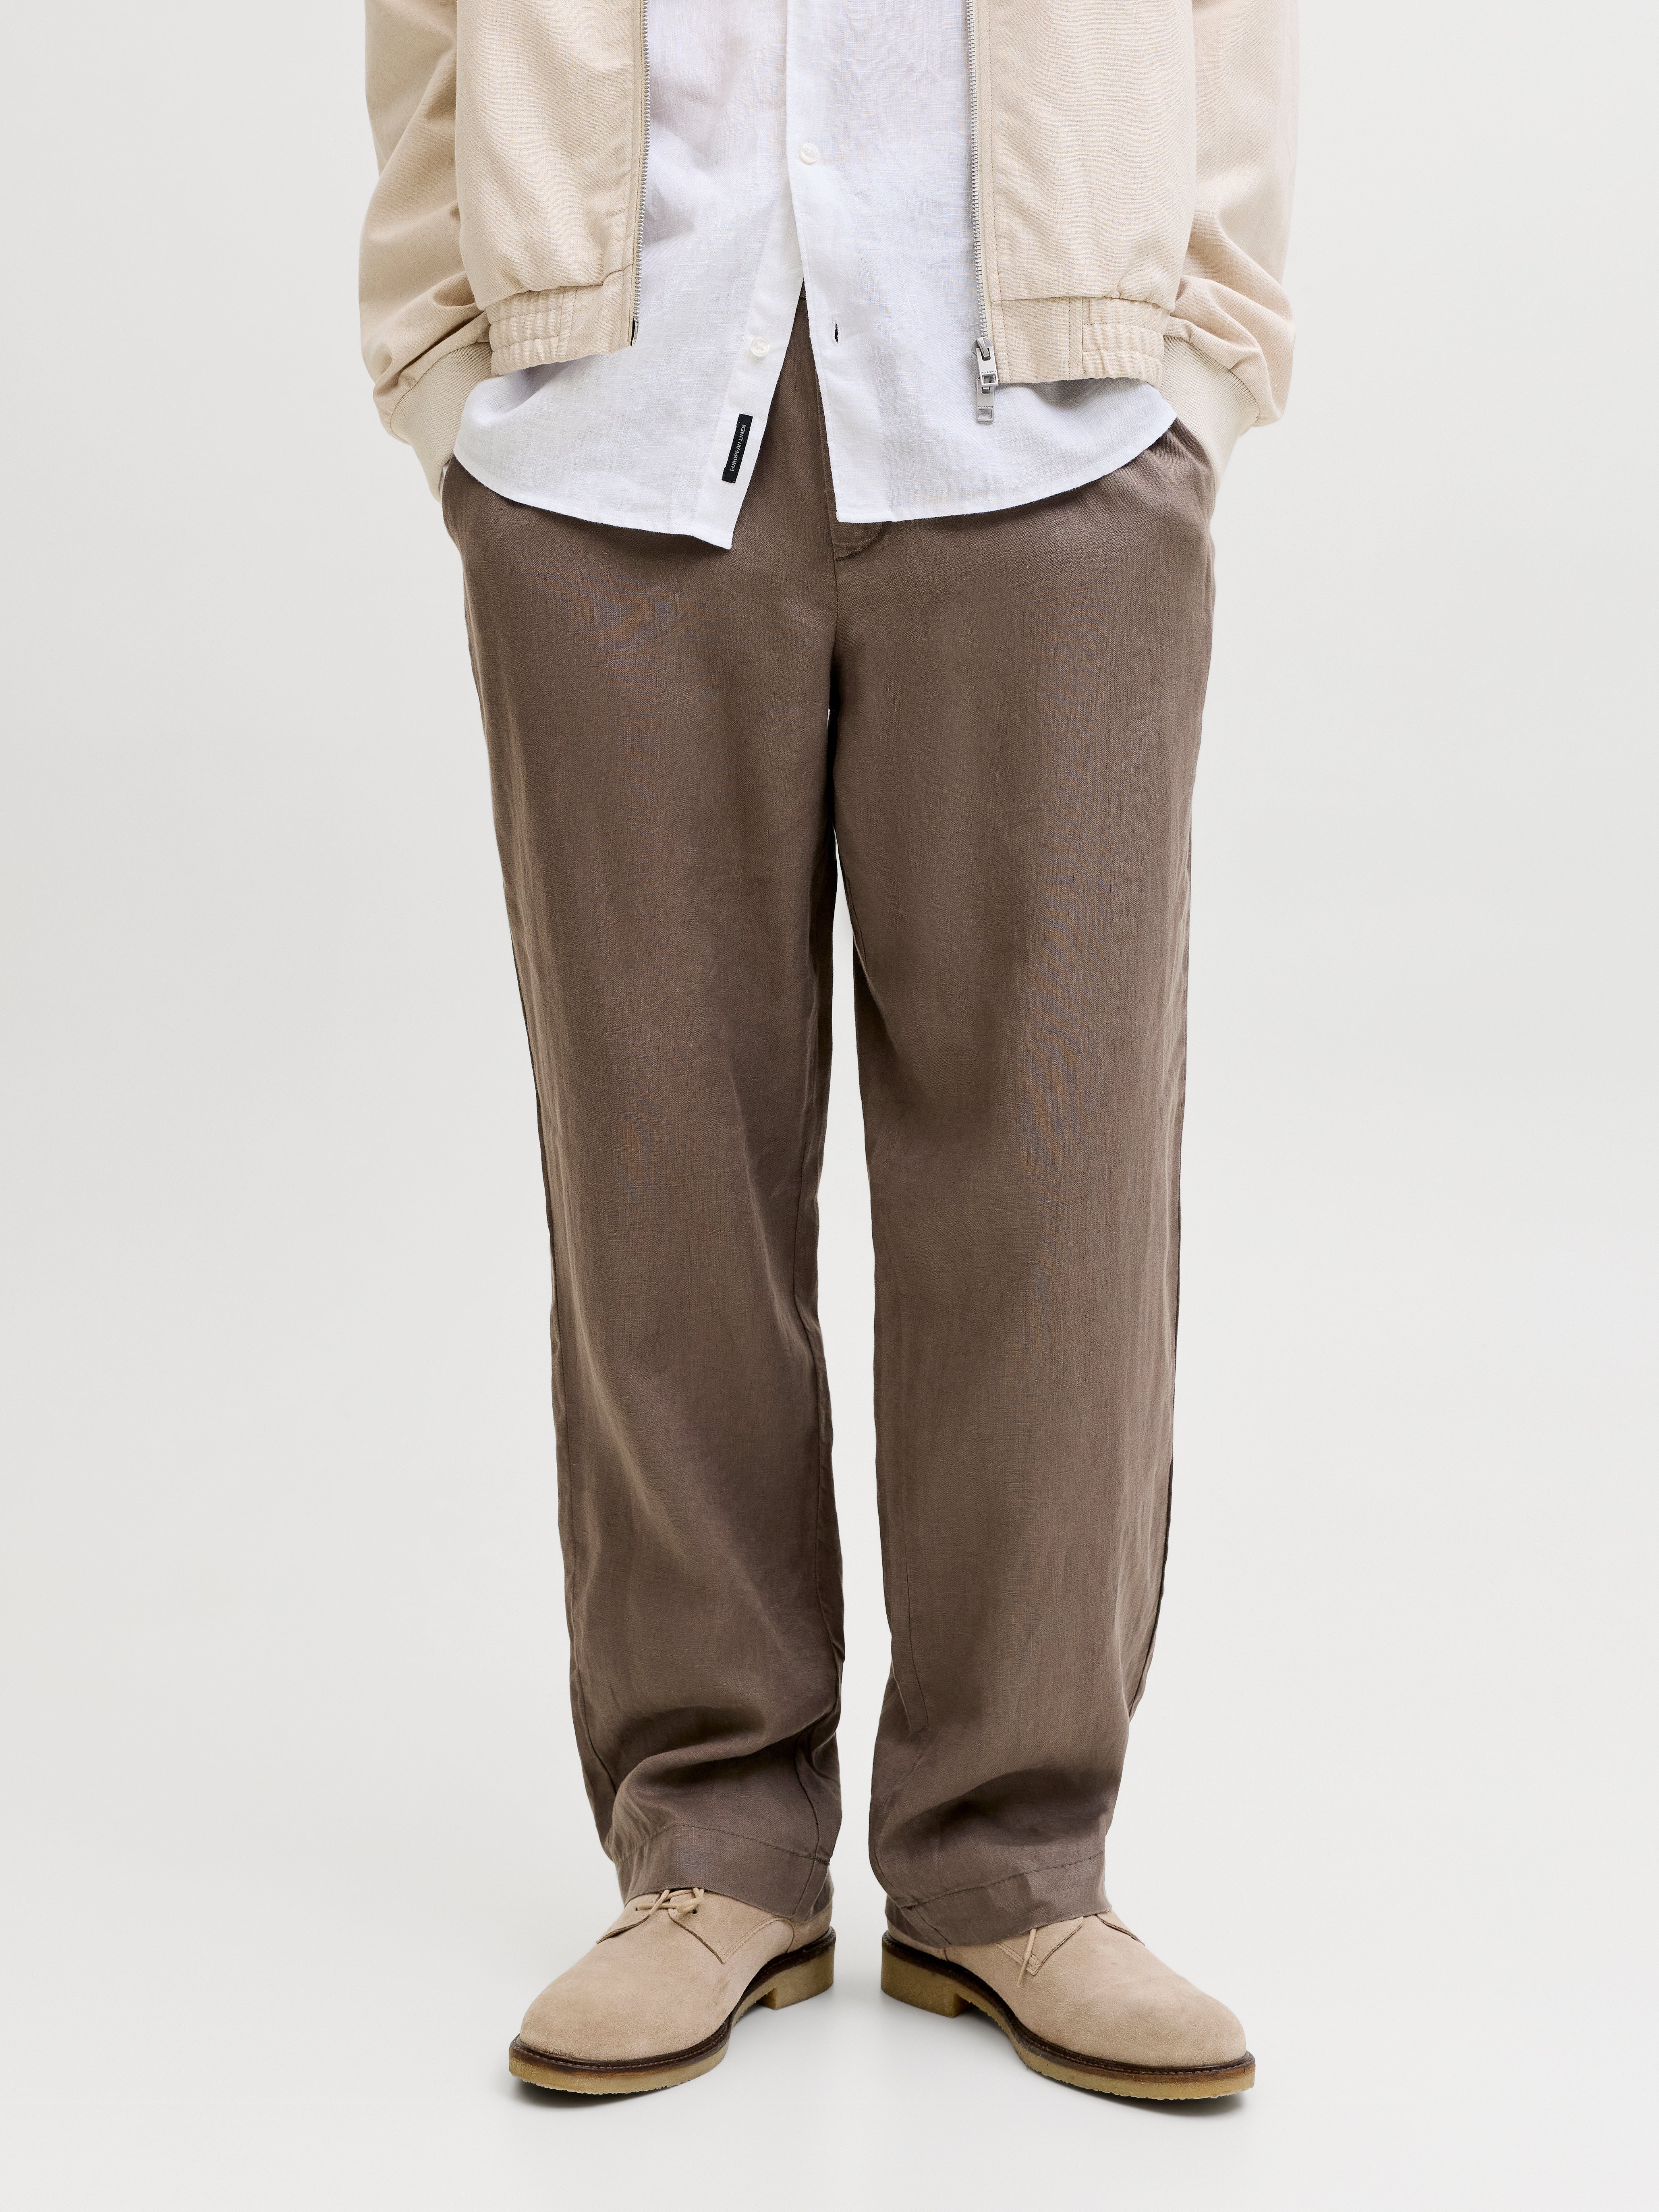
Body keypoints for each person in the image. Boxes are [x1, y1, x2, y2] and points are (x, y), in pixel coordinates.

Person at [361, 0, 1295, 2103]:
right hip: (612, 413)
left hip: (1046, 410)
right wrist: (449, 361)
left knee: (1055, 1179)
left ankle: (1014, 1861)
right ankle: (710, 1848)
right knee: (655, 1170)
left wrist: (1198, 363)